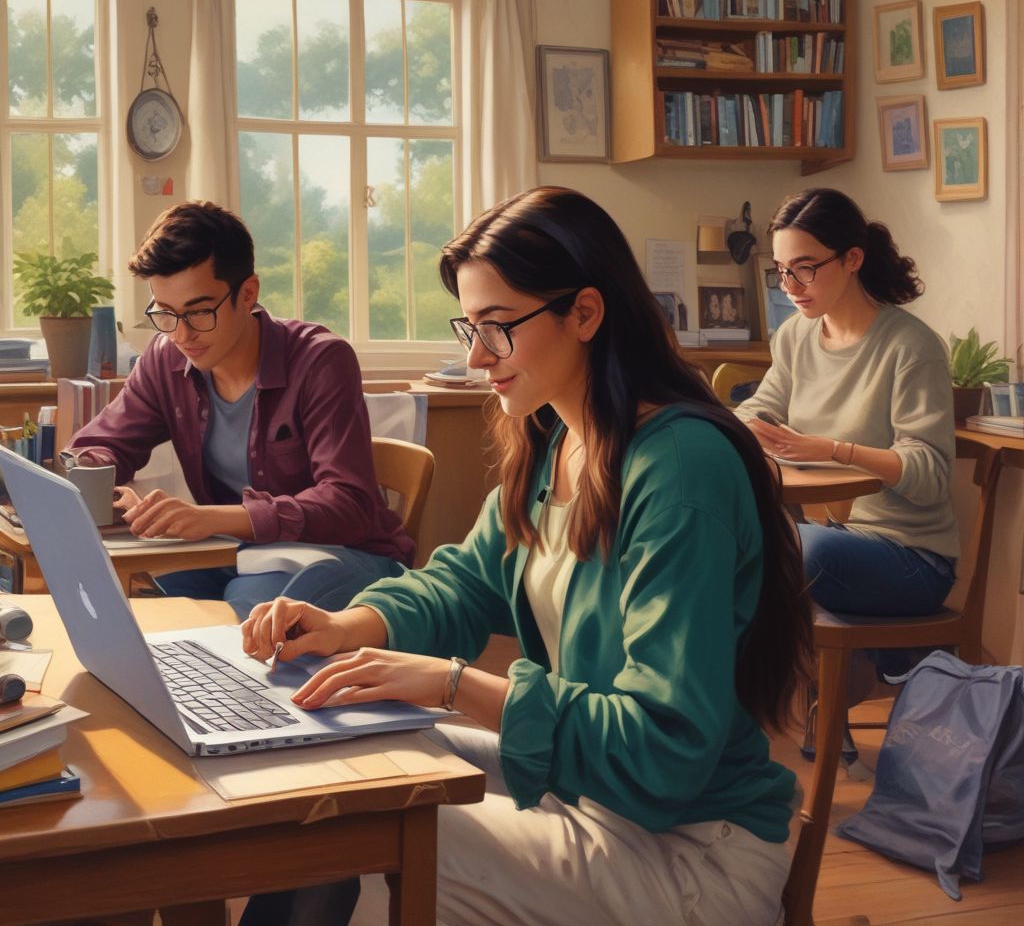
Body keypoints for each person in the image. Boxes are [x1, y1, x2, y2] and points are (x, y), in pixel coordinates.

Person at [242, 186, 812, 926]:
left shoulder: (679, 468)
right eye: (469, 327)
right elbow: (464, 584)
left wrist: (453, 685)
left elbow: (665, 748)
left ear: (585, 313)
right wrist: (350, 626)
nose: (476, 357)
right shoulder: (557, 440)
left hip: (691, 849)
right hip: (592, 793)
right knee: (327, 770)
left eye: (497, 328)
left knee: (358, 831)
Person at [67, 201, 413, 618]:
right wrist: (101, 479)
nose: (182, 334)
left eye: (199, 312)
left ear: (248, 294)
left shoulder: (321, 360)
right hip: (241, 553)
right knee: (130, 601)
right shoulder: (166, 358)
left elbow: (348, 505)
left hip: (345, 553)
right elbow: (103, 443)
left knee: (250, 623)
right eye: (166, 313)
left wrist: (212, 518)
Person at [734, 187, 958, 692]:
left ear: (852, 258)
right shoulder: (794, 336)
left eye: (806, 267)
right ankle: (828, 694)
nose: (791, 285)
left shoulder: (911, 347)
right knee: (750, 534)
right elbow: (761, 407)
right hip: (830, 537)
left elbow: (931, 477)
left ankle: (848, 684)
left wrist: (829, 449)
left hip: (910, 558)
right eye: (782, 270)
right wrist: (739, 426)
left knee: (788, 549)